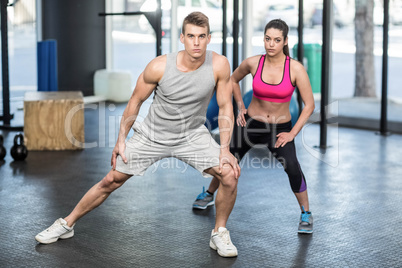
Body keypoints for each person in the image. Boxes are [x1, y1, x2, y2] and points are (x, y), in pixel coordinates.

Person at [35, 12, 241, 258]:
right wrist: (121, 140)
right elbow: (135, 102)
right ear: (181, 38)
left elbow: (226, 106)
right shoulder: (158, 66)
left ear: (209, 38)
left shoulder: (219, 65)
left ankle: (219, 232)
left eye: (201, 37)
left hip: (192, 135)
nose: (196, 43)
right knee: (111, 180)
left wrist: (224, 148)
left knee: (229, 173)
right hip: (153, 134)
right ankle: (66, 224)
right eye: (190, 36)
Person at [192, 19, 315, 234]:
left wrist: (292, 133)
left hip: (280, 129)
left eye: (277, 40)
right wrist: (241, 106)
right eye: (267, 39)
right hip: (251, 124)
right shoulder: (253, 63)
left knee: (293, 167)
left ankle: (306, 212)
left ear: (285, 41)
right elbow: (232, 80)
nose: (271, 44)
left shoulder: (295, 69)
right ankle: (210, 193)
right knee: (228, 160)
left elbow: (310, 105)